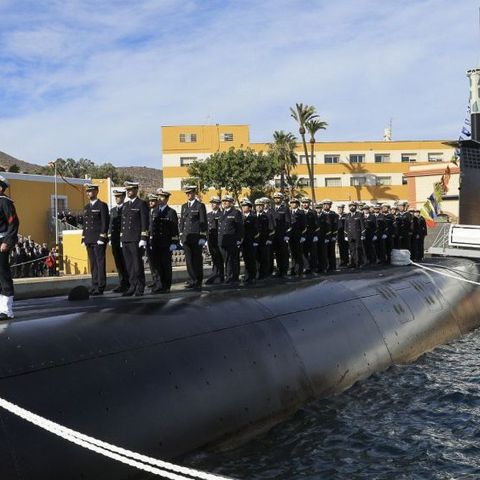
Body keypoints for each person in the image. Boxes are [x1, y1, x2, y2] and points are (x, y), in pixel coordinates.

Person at [121, 181, 149, 296]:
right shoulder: (126, 205)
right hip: (126, 238)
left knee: (137, 264)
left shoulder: (141, 204)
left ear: (136, 190)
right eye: (127, 190)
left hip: (136, 239)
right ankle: (132, 285)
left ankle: (140, 286)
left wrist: (143, 237)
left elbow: (144, 222)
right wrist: (121, 238)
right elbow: (124, 223)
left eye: (131, 190)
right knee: (129, 265)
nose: (128, 192)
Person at [149, 188, 179, 293]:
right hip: (156, 242)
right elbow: (151, 227)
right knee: (157, 265)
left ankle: (166, 285)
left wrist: (174, 242)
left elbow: (175, 229)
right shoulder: (154, 211)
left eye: (162, 197)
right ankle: (158, 284)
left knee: (166, 265)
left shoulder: (171, 212)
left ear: (166, 199)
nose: (159, 199)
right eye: (159, 197)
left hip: (166, 243)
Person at [82, 183, 109, 295]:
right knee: (92, 263)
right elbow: (85, 224)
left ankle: (101, 286)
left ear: (97, 192)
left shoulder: (102, 205)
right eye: (87, 191)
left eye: (91, 191)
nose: (89, 193)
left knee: (100, 263)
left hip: (98, 239)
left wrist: (102, 237)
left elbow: (104, 222)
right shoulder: (86, 207)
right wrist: (83, 238)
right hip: (89, 239)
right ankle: (94, 284)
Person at [179, 185, 208, 288]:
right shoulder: (184, 206)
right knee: (189, 260)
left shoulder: (200, 206)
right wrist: (181, 236)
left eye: (190, 193)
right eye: (186, 193)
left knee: (196, 259)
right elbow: (182, 222)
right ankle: (192, 279)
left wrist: (203, 237)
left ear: (194, 193)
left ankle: (198, 279)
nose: (188, 195)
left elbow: (203, 222)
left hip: (196, 237)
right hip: (187, 237)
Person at [0, 176, 19, 320]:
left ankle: (7, 310)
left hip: (2, 241)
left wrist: (7, 241)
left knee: (3, 273)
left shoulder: (5, 202)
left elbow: (13, 223)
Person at [218, 195, 244, 284]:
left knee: (233, 259)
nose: (224, 203)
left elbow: (239, 227)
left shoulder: (236, 213)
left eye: (226, 201)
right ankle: (229, 275)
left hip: (232, 240)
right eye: (223, 201)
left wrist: (239, 239)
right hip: (222, 240)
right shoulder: (221, 213)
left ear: (231, 203)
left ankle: (233, 276)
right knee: (226, 259)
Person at [109, 188, 129, 293]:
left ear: (123, 197)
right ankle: (122, 283)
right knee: (118, 262)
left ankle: (129, 283)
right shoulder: (113, 211)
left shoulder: (127, 208)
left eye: (119, 196)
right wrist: (109, 237)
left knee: (126, 262)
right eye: (116, 197)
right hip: (115, 240)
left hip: (124, 239)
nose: (117, 199)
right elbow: (110, 225)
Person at [271, 192, 290, 277]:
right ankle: (279, 269)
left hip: (282, 234)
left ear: (281, 199)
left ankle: (284, 270)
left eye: (278, 198)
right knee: (277, 253)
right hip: (274, 235)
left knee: (283, 253)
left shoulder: (285, 209)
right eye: (275, 198)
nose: (276, 199)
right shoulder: (271, 209)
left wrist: (286, 234)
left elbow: (288, 222)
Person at [205, 197, 224, 284]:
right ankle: (214, 274)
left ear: (219, 204)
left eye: (215, 203)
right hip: (210, 240)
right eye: (211, 203)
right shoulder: (208, 215)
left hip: (219, 239)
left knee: (219, 258)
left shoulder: (222, 214)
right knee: (214, 258)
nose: (212, 204)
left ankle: (220, 276)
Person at [240, 198, 258, 284]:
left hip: (251, 241)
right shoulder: (240, 216)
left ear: (250, 208)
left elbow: (258, 230)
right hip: (243, 241)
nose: (243, 207)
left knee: (251, 259)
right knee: (246, 259)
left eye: (245, 206)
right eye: (242, 206)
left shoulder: (254, 217)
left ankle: (252, 275)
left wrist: (256, 241)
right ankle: (247, 275)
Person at [287, 198, 306, 276]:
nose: (293, 204)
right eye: (291, 203)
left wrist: (302, 236)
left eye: (294, 203)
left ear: (298, 204)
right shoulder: (289, 212)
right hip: (291, 237)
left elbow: (304, 225)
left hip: (298, 236)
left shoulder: (301, 212)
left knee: (299, 254)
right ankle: (293, 269)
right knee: (293, 254)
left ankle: (299, 270)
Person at [255, 198, 272, 280]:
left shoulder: (268, 215)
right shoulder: (253, 215)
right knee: (257, 258)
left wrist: (269, 239)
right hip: (256, 241)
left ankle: (265, 274)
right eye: (257, 206)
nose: (259, 207)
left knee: (264, 258)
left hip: (264, 240)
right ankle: (258, 273)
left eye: (260, 206)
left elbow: (271, 228)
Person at [146, 193, 161, 289]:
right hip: (148, 239)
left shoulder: (158, 211)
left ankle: (159, 282)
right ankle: (154, 279)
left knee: (157, 261)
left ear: (156, 201)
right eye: (150, 201)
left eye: (153, 201)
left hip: (156, 239)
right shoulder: (148, 211)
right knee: (151, 262)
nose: (151, 202)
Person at [345, 201, 365, 268]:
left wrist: (363, 234)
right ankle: (353, 263)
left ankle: (360, 263)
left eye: (353, 206)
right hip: (350, 235)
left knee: (358, 249)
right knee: (352, 249)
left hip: (357, 234)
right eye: (350, 206)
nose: (352, 207)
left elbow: (362, 225)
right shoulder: (347, 215)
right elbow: (346, 226)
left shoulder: (359, 214)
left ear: (356, 207)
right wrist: (345, 235)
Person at [300, 198, 318, 274]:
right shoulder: (300, 212)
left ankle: (313, 268)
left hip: (311, 235)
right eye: (303, 203)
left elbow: (317, 225)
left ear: (309, 204)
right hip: (303, 236)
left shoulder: (313, 212)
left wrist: (315, 235)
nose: (305, 204)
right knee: (304, 253)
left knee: (313, 253)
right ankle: (306, 267)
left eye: (306, 203)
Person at [323, 199, 338, 272]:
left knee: (331, 252)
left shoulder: (333, 214)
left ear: (330, 206)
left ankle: (332, 266)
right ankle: (325, 266)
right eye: (325, 204)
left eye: (327, 204)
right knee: (324, 252)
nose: (326, 206)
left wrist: (334, 236)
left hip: (331, 236)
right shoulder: (321, 214)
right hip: (323, 236)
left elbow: (335, 225)